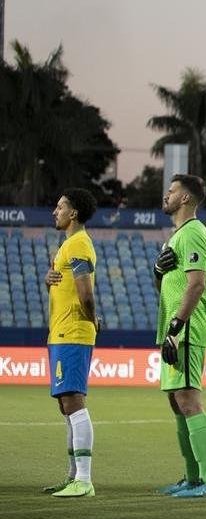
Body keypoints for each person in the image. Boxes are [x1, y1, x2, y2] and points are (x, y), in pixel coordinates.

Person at [153, 174, 206, 498]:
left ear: (185, 199)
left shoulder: (193, 232)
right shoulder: (176, 237)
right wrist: (157, 272)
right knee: (176, 401)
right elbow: (170, 285)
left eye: (172, 191)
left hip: (186, 328)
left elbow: (196, 284)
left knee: (189, 400)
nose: (166, 195)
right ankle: (192, 478)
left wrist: (177, 328)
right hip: (173, 327)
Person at [42, 189, 100, 498]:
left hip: (73, 333)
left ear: (73, 213)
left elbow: (85, 292)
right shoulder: (69, 244)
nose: (55, 210)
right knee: (66, 404)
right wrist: (49, 279)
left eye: (60, 206)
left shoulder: (78, 243)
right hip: (61, 333)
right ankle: (73, 476)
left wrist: (92, 320)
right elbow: (66, 284)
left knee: (74, 401)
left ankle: (85, 480)